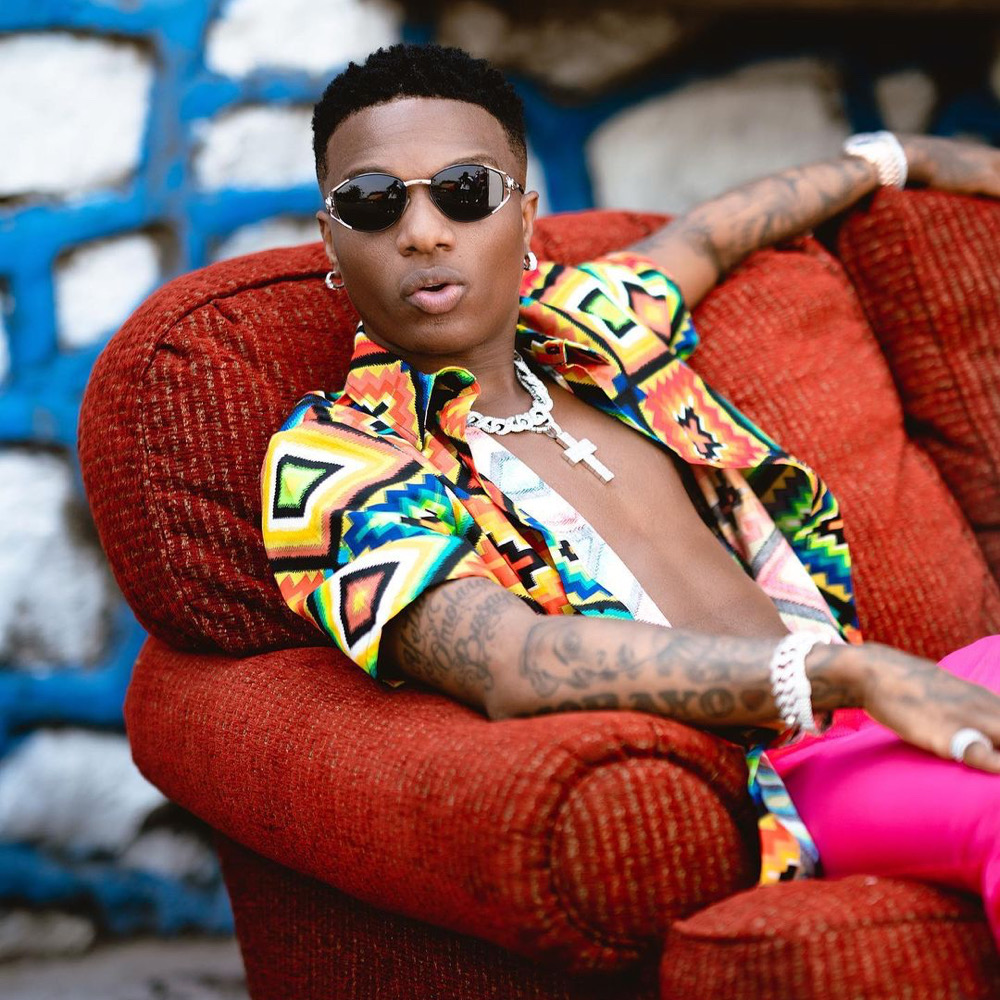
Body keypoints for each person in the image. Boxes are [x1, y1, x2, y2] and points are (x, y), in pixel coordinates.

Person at [261, 43, 1000, 941]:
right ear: (331, 238)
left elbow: (715, 232)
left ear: (524, 216)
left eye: (465, 190)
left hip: (890, 696)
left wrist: (903, 158)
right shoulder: (339, 456)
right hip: (786, 776)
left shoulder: (596, 323)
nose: (423, 232)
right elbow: (512, 663)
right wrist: (848, 671)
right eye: (374, 202)